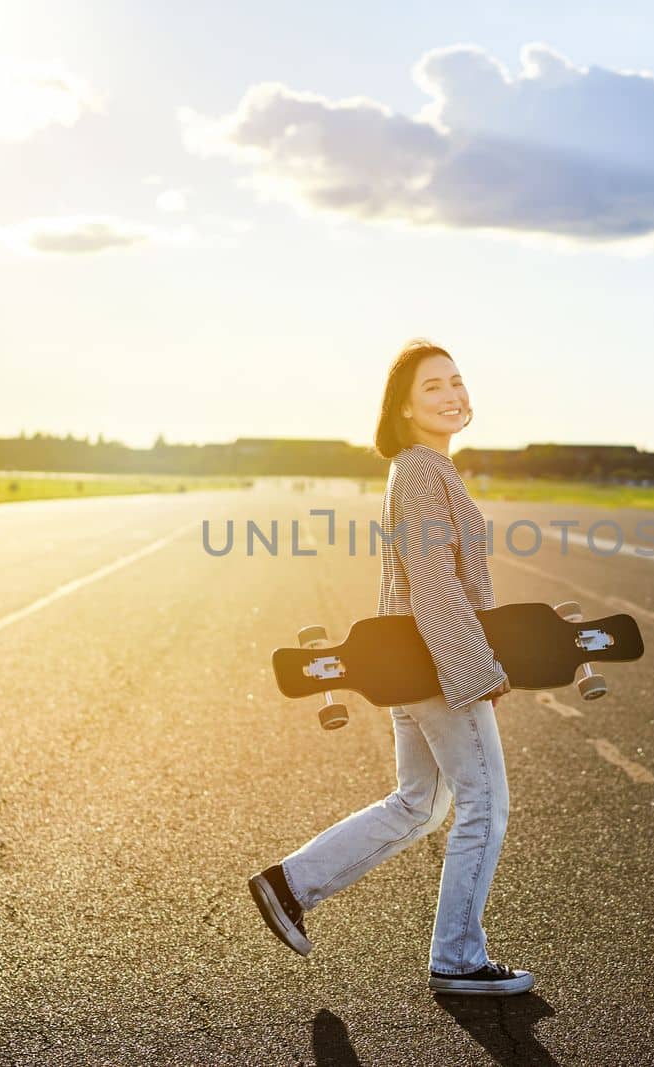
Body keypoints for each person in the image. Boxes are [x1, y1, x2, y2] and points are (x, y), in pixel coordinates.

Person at [248, 339, 533, 997]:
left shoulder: (425, 468)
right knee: (484, 804)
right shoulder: (421, 472)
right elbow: (434, 584)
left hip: (416, 666)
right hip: (439, 670)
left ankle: (289, 886)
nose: (453, 394)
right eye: (434, 386)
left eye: (458, 381)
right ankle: (458, 958)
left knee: (420, 804)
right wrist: (478, 673)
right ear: (404, 408)